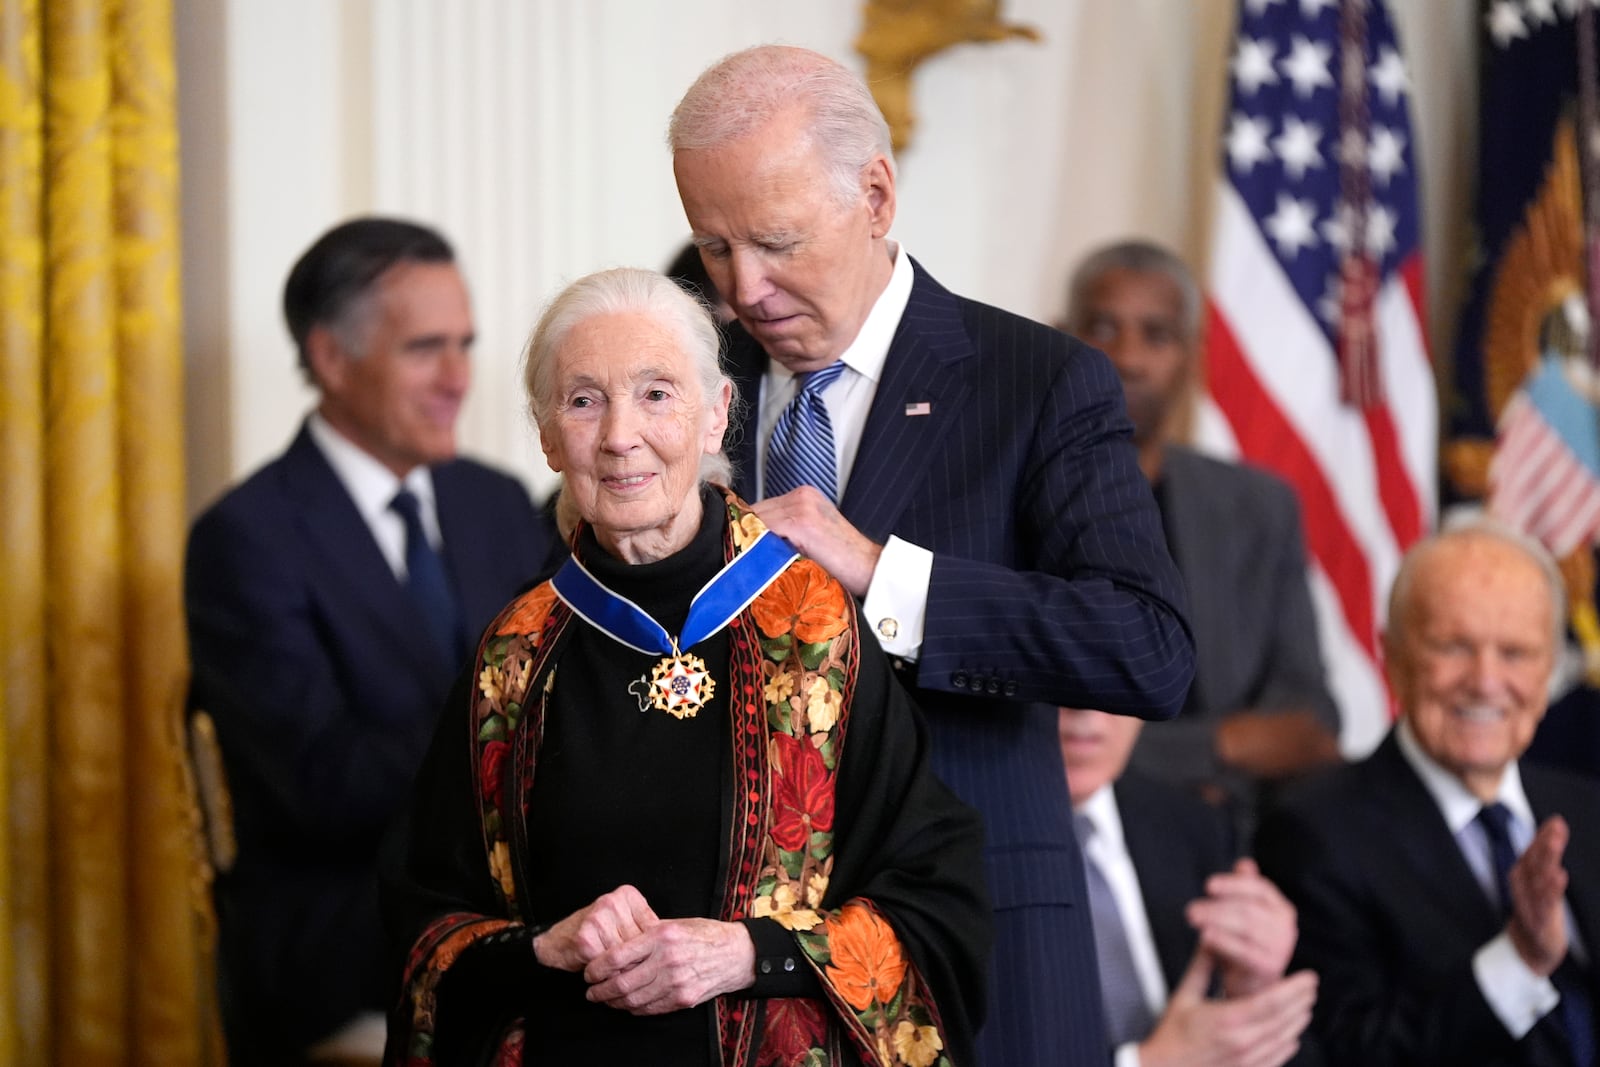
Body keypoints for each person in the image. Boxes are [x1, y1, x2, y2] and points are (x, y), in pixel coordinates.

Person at [667, 45, 1196, 1066]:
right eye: (714, 247)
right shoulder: (690, 385)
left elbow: (1148, 645)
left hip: (974, 954)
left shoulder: (1036, 380)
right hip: (732, 982)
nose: (744, 288)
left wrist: (884, 573)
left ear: (874, 194)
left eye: (776, 242)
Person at [383, 267, 991, 1066]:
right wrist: (542, 948)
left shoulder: (815, 626)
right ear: (545, 435)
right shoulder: (513, 656)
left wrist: (753, 953)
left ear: (717, 416)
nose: (619, 436)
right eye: (583, 400)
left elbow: (939, 904)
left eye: (657, 393)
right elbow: (425, 929)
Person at [184, 217, 561, 1064]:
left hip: (514, 906)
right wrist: (512, 724)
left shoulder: (496, 502)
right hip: (347, 933)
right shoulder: (245, 537)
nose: (460, 378)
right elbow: (319, 785)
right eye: (427, 348)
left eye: (465, 345)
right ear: (330, 357)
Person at [1255, 519, 1600, 1066]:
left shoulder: (1587, 807)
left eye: (1515, 653)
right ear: (1392, 657)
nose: (1485, 682)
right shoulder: (1312, 835)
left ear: (1551, 670)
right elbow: (1356, 1055)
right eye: (1453, 647)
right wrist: (1519, 958)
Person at [1064, 240, 1340, 829]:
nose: (1129, 359)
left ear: (1192, 356)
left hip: (1229, 834)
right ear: (1060, 336)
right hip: (1065, 822)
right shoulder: (1006, 493)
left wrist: (1128, 752)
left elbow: (1311, 724)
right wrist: (1226, 747)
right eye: (1103, 328)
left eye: (1157, 335)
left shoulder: (1259, 509)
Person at [1059, 706, 1318, 1067]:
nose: (1084, 708)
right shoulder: (958, 853)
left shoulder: (1192, 824)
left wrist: (1247, 996)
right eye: (1055, 662)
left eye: (1108, 663)